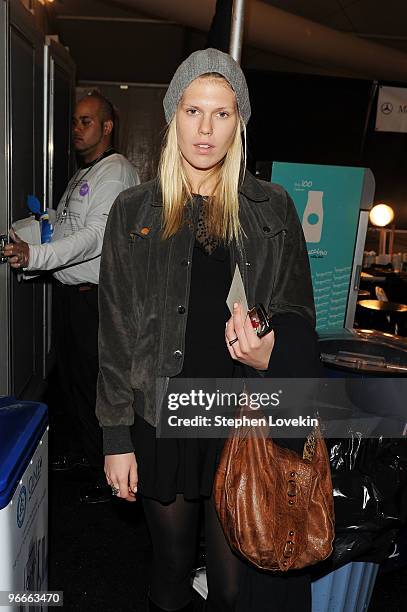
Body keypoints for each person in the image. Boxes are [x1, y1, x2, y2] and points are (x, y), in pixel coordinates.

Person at [96, 49, 321, 611]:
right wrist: (116, 439)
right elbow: (115, 333)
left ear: (238, 122)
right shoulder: (133, 209)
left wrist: (272, 354)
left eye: (222, 114)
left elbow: (300, 313)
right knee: (171, 570)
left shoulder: (271, 208)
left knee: (230, 588)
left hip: (237, 420)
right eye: (193, 110)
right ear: (174, 115)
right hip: (159, 415)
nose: (205, 128)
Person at [4, 91, 140, 503]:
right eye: (75, 123)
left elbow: (94, 238)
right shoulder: (87, 173)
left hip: (96, 299)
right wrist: (21, 232)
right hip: (72, 296)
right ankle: (87, 455)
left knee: (100, 387)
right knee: (76, 384)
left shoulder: (113, 173)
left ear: (107, 126)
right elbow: (62, 227)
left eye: (86, 122)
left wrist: (37, 255)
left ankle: (111, 475)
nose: (77, 130)